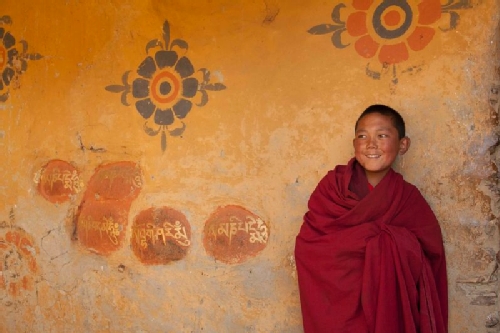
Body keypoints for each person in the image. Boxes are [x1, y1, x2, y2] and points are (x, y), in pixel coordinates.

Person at [294, 104, 448, 333]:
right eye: (362, 136)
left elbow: (430, 254)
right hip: (336, 310)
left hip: (388, 305)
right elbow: (309, 246)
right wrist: (372, 240)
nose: (371, 144)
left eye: (382, 136)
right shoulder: (332, 188)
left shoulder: (407, 198)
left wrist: (388, 244)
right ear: (354, 143)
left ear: (403, 145)